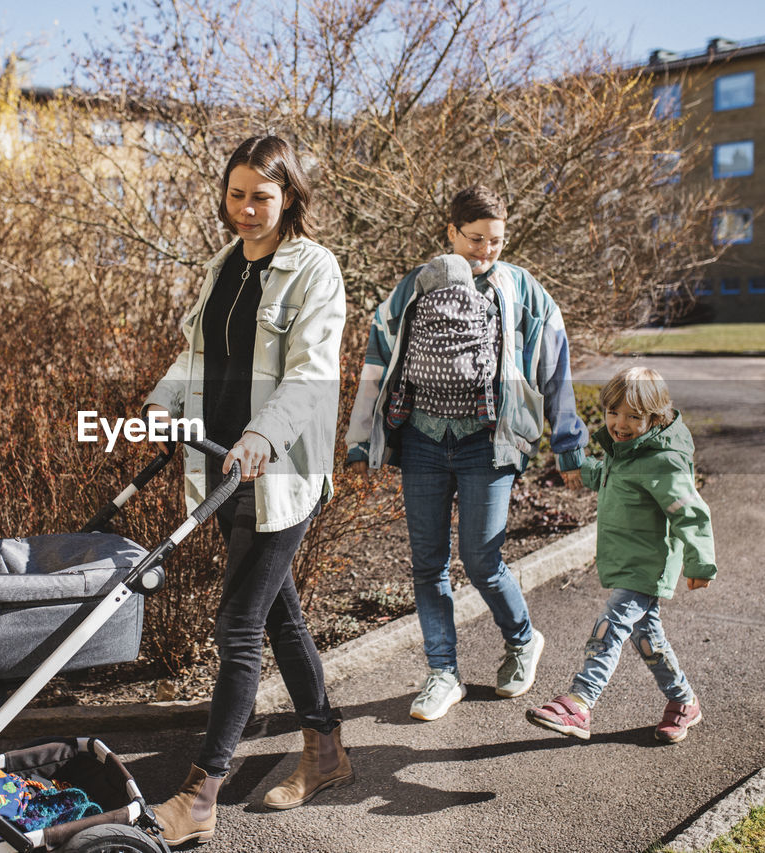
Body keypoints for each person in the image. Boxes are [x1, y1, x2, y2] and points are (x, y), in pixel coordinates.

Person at [143, 135, 352, 846]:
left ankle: (201, 795)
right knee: (278, 613)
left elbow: (311, 372)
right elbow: (197, 354)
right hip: (222, 464)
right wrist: (160, 402)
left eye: (260, 196)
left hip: (280, 469)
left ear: (289, 196)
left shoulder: (313, 270)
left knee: (236, 626)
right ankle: (325, 748)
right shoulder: (224, 265)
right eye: (235, 195)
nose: (245, 209)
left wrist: (265, 435)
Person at [344, 184, 588, 722]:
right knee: (427, 564)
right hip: (425, 443)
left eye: (496, 241)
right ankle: (442, 674)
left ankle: (522, 640)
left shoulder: (521, 289)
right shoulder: (412, 288)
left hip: (489, 443)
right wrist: (361, 439)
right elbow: (377, 362)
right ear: (450, 232)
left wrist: (569, 444)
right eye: (475, 239)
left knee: (482, 559)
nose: (484, 251)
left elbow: (555, 366)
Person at [526, 366, 716, 743]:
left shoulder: (663, 462)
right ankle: (684, 700)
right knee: (649, 640)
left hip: (646, 565)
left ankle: (580, 702)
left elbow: (690, 513)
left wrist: (700, 562)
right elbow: (612, 477)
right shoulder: (627, 452)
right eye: (614, 413)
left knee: (609, 628)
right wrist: (583, 467)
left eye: (633, 416)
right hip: (628, 561)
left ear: (656, 417)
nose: (620, 423)